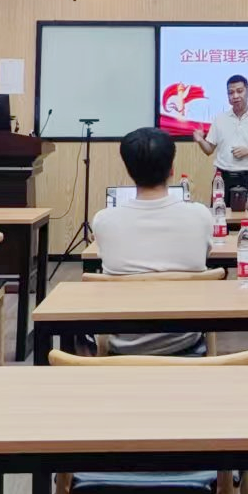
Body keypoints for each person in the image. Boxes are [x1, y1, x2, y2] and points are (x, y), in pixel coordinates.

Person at [91, 127, 213, 355]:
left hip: (121, 348)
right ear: (172, 169)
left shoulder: (104, 220)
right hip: (185, 342)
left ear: (129, 170)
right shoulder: (201, 216)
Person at [192, 74, 248, 201]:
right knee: (219, 212)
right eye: (231, 93)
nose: (235, 96)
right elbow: (209, 150)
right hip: (222, 178)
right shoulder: (220, 119)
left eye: (239, 91)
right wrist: (200, 140)